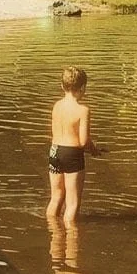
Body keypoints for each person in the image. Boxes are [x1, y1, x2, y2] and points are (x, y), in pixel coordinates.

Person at [45, 66, 101, 225]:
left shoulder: (57, 106)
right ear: (83, 88)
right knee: (72, 203)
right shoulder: (83, 110)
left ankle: (52, 234)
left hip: (54, 151)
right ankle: (71, 244)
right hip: (71, 155)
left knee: (55, 198)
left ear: (62, 86)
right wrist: (94, 149)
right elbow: (83, 141)